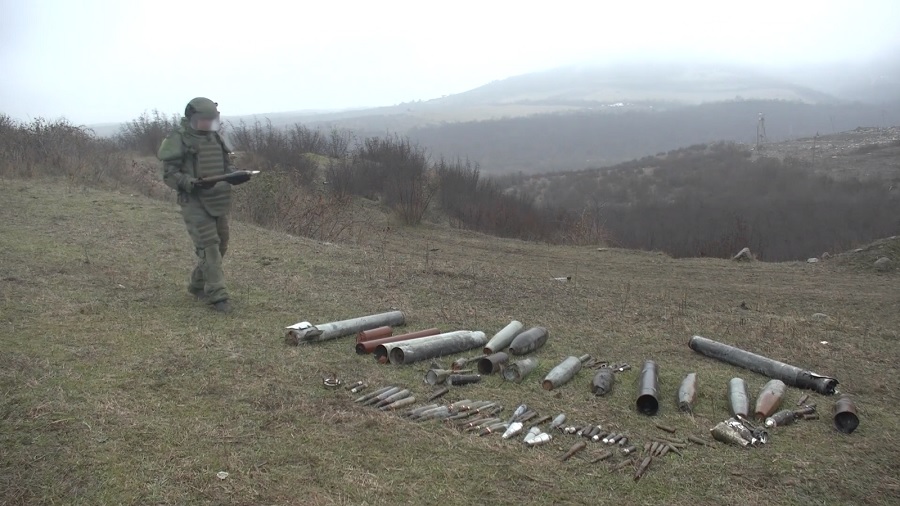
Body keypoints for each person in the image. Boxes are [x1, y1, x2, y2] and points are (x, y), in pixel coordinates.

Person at [157, 97, 251, 313]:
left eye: (211, 120)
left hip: (218, 200)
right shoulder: (178, 139)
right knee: (209, 246)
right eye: (203, 120)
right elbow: (169, 174)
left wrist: (234, 175)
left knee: (221, 245)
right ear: (192, 118)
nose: (207, 124)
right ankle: (218, 296)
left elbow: (226, 165)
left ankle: (197, 285)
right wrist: (189, 182)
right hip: (194, 201)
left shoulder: (215, 139)